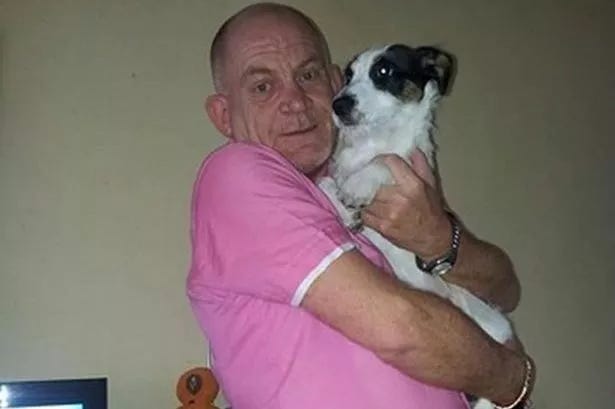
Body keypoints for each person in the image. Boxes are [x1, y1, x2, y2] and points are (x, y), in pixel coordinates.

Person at [187, 2, 535, 408]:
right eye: (263, 87)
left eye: (308, 75)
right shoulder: (237, 175)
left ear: (336, 83)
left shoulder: (363, 185)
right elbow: (401, 329)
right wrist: (512, 378)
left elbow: (505, 289)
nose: (295, 101)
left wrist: (438, 237)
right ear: (223, 115)